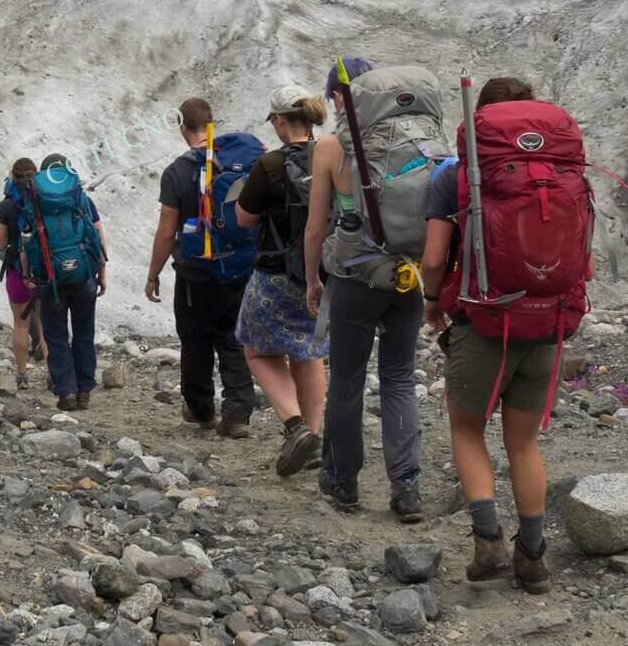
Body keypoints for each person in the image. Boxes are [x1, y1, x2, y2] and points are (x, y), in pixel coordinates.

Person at [420, 76, 553, 593]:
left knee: (467, 429)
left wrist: (432, 299)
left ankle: (489, 543)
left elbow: (435, 258)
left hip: (482, 321)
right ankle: (533, 558)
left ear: (481, 120)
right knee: (524, 443)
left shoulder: (455, 174)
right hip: (545, 322)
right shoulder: (554, 170)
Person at [302, 57, 424, 522]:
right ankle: (406, 487)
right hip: (406, 276)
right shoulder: (413, 142)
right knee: (399, 377)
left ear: (339, 97)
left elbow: (316, 228)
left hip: (354, 278)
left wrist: (313, 279)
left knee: (348, 378)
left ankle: (342, 481)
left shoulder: (331, 147)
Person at [145, 97, 256, 438]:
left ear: (182, 126)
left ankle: (201, 410)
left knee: (195, 339)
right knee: (233, 337)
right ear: (211, 124)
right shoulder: (241, 161)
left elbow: (167, 231)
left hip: (195, 271)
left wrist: (153, 274)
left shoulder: (177, 171)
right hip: (239, 267)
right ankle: (237, 413)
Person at [234, 86, 329, 476]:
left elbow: (244, 218)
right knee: (308, 350)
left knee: (258, 352)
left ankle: (294, 426)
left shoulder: (270, 164)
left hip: (276, 272)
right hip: (324, 273)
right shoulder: (333, 154)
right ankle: (314, 437)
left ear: (279, 120)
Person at [27, 154, 106, 410]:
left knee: (56, 335)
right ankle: (84, 391)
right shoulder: (81, 198)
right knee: (84, 333)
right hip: (84, 275)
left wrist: (30, 274)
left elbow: (26, 241)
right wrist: (102, 272)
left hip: (50, 278)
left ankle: (67, 392)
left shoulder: (35, 202)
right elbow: (97, 235)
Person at [0, 157, 49, 389]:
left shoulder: (7, 205)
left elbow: (0, 241)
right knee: (46, 324)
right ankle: (52, 373)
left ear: (13, 177)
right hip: (44, 271)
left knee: (21, 324)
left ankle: (22, 375)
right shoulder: (46, 200)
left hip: (17, 271)